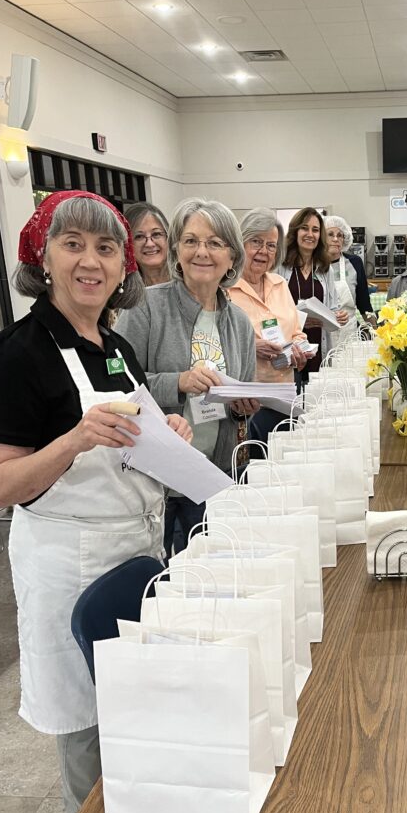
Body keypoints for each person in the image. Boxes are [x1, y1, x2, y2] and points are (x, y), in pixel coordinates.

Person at [0, 192, 192, 813]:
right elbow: (0, 485)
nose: (91, 262)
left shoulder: (115, 343)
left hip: (129, 541)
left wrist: (170, 432)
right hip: (64, 554)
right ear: (43, 258)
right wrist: (72, 439)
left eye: (106, 248)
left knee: (131, 691)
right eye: (73, 244)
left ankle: (139, 809)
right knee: (82, 702)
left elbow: (134, 432)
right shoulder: (17, 353)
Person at [118, 198, 258, 554]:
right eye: (191, 241)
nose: (202, 252)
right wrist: (176, 382)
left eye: (214, 242)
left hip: (211, 473)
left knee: (211, 571)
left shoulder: (239, 322)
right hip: (154, 479)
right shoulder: (145, 306)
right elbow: (116, 387)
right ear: (176, 250)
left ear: (231, 256)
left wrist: (242, 408)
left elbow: (239, 398)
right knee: (154, 581)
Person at [228, 207, 308, 446]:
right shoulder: (224, 289)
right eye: (256, 242)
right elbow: (216, 343)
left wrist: (300, 349)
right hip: (247, 403)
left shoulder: (280, 284)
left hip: (285, 397)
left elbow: (296, 332)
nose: (263, 251)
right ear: (240, 244)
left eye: (271, 245)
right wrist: (251, 346)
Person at [277, 207, 341, 376]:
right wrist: (299, 320)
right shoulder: (280, 266)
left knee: (315, 395)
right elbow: (270, 310)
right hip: (289, 348)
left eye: (315, 230)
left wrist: (338, 316)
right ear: (295, 231)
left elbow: (333, 307)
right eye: (304, 228)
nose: (310, 234)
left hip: (318, 345)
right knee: (293, 396)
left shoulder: (325, 269)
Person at [324, 214, 375, 340]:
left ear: (344, 239)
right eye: (330, 234)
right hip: (323, 332)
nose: (335, 239)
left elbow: (364, 304)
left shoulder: (354, 263)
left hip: (349, 331)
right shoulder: (313, 265)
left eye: (340, 235)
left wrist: (376, 330)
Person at [125, 201, 170, 286]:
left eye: (156, 234)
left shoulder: (189, 280)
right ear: (127, 245)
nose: (149, 244)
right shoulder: (123, 292)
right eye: (139, 236)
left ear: (168, 237)